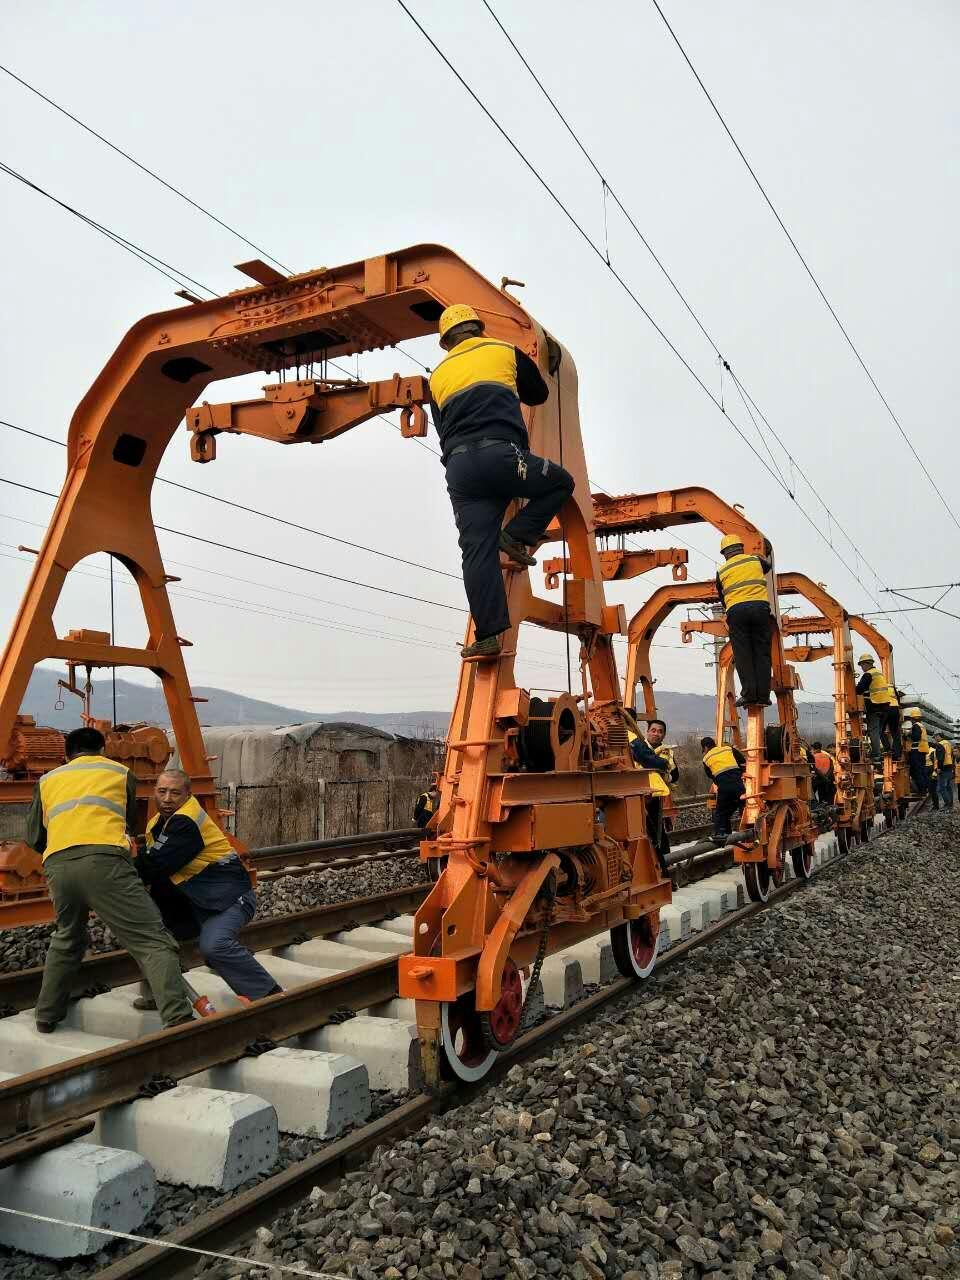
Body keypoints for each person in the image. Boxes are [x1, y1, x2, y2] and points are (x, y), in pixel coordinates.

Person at [430, 304, 575, 659]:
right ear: (478, 328)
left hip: (461, 470)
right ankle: (517, 536)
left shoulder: (437, 376)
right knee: (560, 483)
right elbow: (538, 394)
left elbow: (441, 427)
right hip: (505, 459)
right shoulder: (502, 350)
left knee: (476, 551)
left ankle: (489, 636)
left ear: (447, 342)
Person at [27, 727, 195, 1033]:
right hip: (105, 861)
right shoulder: (120, 772)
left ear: (66, 754)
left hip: (58, 865)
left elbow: (34, 837)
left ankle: (46, 1016)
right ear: (103, 750)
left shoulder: (47, 780)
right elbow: (128, 823)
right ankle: (180, 1022)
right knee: (153, 941)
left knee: (67, 938)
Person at [136, 769, 282, 1005]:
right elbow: (155, 868)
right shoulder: (157, 823)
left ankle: (270, 997)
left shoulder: (187, 822)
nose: (167, 798)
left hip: (230, 898)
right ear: (155, 791)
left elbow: (156, 866)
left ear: (187, 795)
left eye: (175, 793)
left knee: (214, 946)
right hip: (196, 899)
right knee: (152, 937)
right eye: (162, 791)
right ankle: (163, 997)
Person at [715, 534, 773, 707]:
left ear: (725, 553)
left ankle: (749, 694)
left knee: (743, 654)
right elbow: (768, 566)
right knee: (762, 652)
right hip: (760, 609)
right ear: (741, 548)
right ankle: (763, 696)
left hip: (737, 612)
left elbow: (722, 597)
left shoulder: (722, 571)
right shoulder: (755, 561)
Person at [624, 711, 672, 874]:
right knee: (651, 832)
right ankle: (661, 871)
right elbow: (648, 759)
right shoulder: (631, 738)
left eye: (660, 731)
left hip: (627, 791)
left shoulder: (615, 736)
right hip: (641, 793)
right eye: (653, 730)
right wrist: (664, 764)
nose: (656, 734)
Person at [701, 736, 747, 842]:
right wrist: (739, 773)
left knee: (721, 811)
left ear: (706, 747)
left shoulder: (706, 758)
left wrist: (720, 781)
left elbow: (710, 775)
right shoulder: (728, 749)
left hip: (724, 786)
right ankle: (748, 831)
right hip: (738, 784)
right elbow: (742, 761)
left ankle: (721, 833)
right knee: (743, 806)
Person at [855, 655, 901, 762]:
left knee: (874, 731)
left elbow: (859, 689)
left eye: (862, 665)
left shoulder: (868, 674)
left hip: (875, 707)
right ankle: (886, 751)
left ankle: (876, 754)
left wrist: (853, 687)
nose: (862, 668)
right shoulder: (879, 674)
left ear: (866, 664)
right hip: (886, 708)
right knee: (880, 730)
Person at [903, 709, 931, 797]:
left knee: (916, 771)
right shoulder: (921, 726)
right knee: (921, 771)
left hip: (917, 751)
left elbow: (916, 737)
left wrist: (908, 734)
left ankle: (921, 790)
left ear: (913, 719)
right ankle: (924, 789)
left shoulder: (916, 726)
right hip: (922, 751)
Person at [936, 738, 954, 811]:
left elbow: (940, 757)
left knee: (942, 788)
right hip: (949, 766)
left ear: (938, 736)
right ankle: (950, 803)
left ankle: (947, 804)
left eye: (935, 737)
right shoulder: (948, 743)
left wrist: (939, 767)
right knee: (948, 787)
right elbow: (952, 755)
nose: (935, 739)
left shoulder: (940, 744)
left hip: (943, 767)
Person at [926, 746, 940, 811]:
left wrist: (935, 772)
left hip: (931, 771)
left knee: (933, 790)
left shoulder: (932, 751)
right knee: (931, 789)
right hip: (927, 771)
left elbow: (935, 762)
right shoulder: (927, 750)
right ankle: (935, 804)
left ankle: (936, 806)